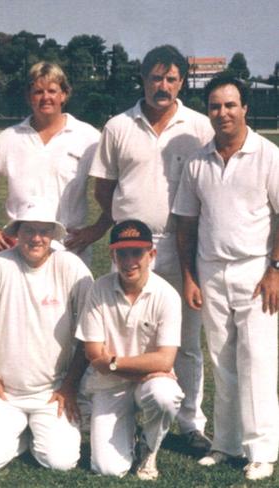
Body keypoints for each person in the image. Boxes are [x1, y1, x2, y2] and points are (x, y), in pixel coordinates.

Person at [87, 45, 213, 450]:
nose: (163, 86)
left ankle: (191, 423)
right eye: (156, 78)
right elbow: (104, 188)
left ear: (182, 82)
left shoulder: (199, 127)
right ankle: (126, 412)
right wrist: (126, 226)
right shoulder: (118, 126)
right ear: (142, 79)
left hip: (182, 246)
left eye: (172, 79)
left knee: (187, 342)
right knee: (122, 335)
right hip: (130, 249)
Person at [173, 75, 279, 481]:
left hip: (257, 272)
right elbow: (186, 223)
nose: (223, 113)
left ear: (245, 108)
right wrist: (189, 277)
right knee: (222, 360)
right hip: (211, 270)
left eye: (230, 105)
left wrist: (274, 270)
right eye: (215, 106)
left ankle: (262, 450)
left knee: (258, 359)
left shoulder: (267, 155)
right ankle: (226, 444)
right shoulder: (198, 161)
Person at [0, 200, 93, 471]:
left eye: (43, 231)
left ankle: (35, 431)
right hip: (5, 392)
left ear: (52, 235)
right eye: (28, 231)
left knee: (61, 463)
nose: (36, 238)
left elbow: (91, 329)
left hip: (54, 391)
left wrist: (70, 386)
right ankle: (23, 432)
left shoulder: (71, 266)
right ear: (17, 232)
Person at [76, 220, 184, 480]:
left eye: (137, 253)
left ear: (152, 255)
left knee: (164, 395)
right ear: (112, 254)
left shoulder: (167, 295)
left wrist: (113, 361)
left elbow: (166, 358)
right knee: (108, 469)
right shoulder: (98, 288)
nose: (129, 261)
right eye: (121, 253)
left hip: (151, 382)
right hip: (110, 384)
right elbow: (93, 353)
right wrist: (137, 368)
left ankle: (150, 448)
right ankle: (130, 436)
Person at [0, 61, 104, 265]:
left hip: (69, 248)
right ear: (29, 97)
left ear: (64, 94)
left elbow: (114, 185)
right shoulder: (9, 137)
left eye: (52, 90)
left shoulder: (88, 137)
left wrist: (97, 229)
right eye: (38, 91)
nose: (46, 97)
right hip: (18, 247)